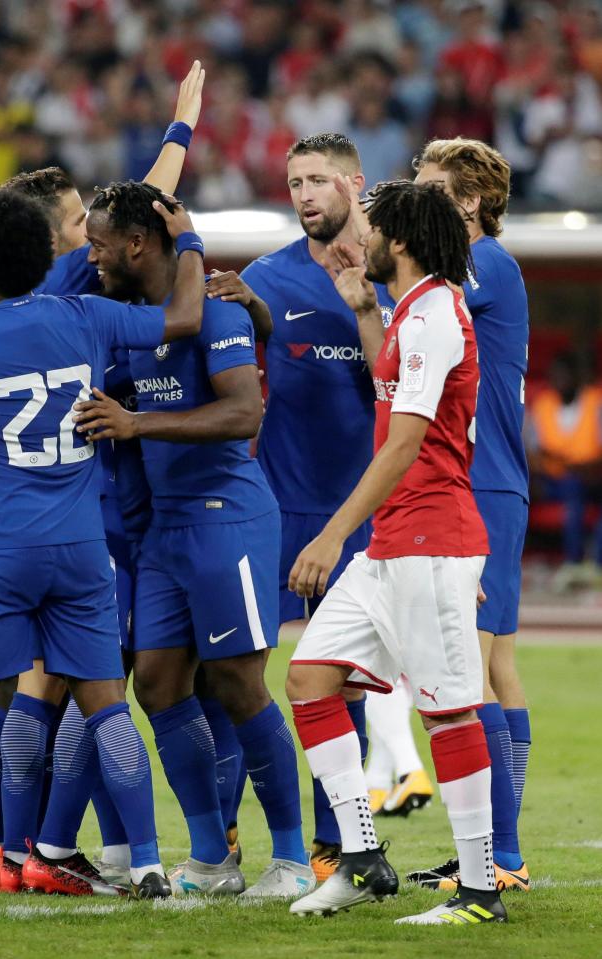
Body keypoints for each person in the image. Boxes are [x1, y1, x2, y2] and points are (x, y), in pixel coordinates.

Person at [0, 183, 205, 903]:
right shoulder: (88, 313)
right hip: (81, 544)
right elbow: (185, 315)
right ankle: (150, 863)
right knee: (106, 705)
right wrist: (186, 242)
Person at [74, 180, 313, 900]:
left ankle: (293, 857)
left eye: (98, 243)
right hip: (166, 529)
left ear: (138, 243)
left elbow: (244, 412)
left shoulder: (214, 311)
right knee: (155, 681)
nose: (90, 256)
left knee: (239, 683)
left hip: (226, 516)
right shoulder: (133, 320)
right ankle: (211, 856)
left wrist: (137, 423)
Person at [205, 133, 430, 880]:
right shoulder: (265, 278)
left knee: (348, 681)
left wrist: (364, 306)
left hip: (364, 514)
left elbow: (401, 398)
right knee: (235, 675)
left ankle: (340, 847)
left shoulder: (402, 276)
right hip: (273, 509)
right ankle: (224, 845)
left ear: (354, 184)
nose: (303, 194)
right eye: (294, 181)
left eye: (318, 180)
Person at [285, 179, 507, 926]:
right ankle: (361, 858)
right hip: (400, 542)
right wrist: (359, 307)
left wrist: (331, 531)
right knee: (312, 678)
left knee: (447, 714)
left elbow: (406, 440)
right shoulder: (414, 309)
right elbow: (396, 390)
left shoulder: (439, 310)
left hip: (427, 537)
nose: (363, 237)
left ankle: (478, 893)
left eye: (373, 228)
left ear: (401, 240)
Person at [406, 138, 531, 893]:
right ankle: (502, 855)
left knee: (470, 669)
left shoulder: (485, 268)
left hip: (480, 485)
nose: (419, 203)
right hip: (490, 483)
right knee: (496, 666)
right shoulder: (477, 271)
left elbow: (416, 299)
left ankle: (498, 856)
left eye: (430, 191)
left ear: (470, 202)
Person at [527, 351, 602, 589]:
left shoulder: (596, 402)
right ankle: (572, 562)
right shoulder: (542, 404)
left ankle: (594, 565)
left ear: (578, 377)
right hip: (552, 481)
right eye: (555, 376)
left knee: (579, 490)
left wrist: (587, 468)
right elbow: (534, 451)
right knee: (571, 488)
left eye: (565, 376)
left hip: (590, 477)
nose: (560, 381)